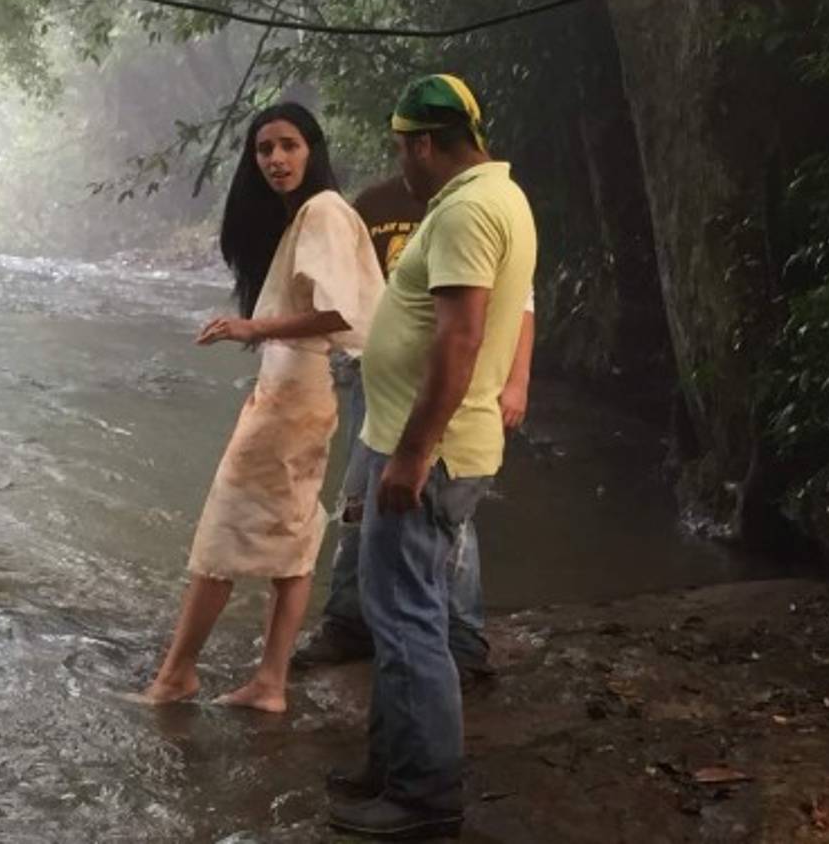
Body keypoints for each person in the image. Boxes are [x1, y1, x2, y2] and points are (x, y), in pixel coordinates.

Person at [327, 75, 536, 839]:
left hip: (431, 453)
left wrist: (411, 456)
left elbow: (459, 339)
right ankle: (387, 767)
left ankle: (422, 798)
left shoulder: (468, 210)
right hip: (427, 443)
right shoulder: (495, 196)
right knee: (395, 614)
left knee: (411, 621)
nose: (400, 168)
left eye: (401, 150)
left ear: (421, 143)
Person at [140, 103, 384, 714]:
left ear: (313, 150)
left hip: (294, 395)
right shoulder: (308, 214)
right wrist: (261, 334)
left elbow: (343, 314)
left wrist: (255, 325)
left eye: (289, 146)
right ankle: (270, 683)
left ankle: (176, 676)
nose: (275, 159)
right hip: (300, 391)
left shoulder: (324, 209)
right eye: (264, 149)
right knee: (294, 535)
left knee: (220, 533)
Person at [292, 174, 535, 684]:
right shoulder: (373, 205)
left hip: (448, 385)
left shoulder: (472, 209)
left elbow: (519, 303)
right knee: (359, 499)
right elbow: (346, 284)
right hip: (371, 378)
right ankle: (350, 620)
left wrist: (517, 380)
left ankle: (462, 639)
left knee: (443, 507)